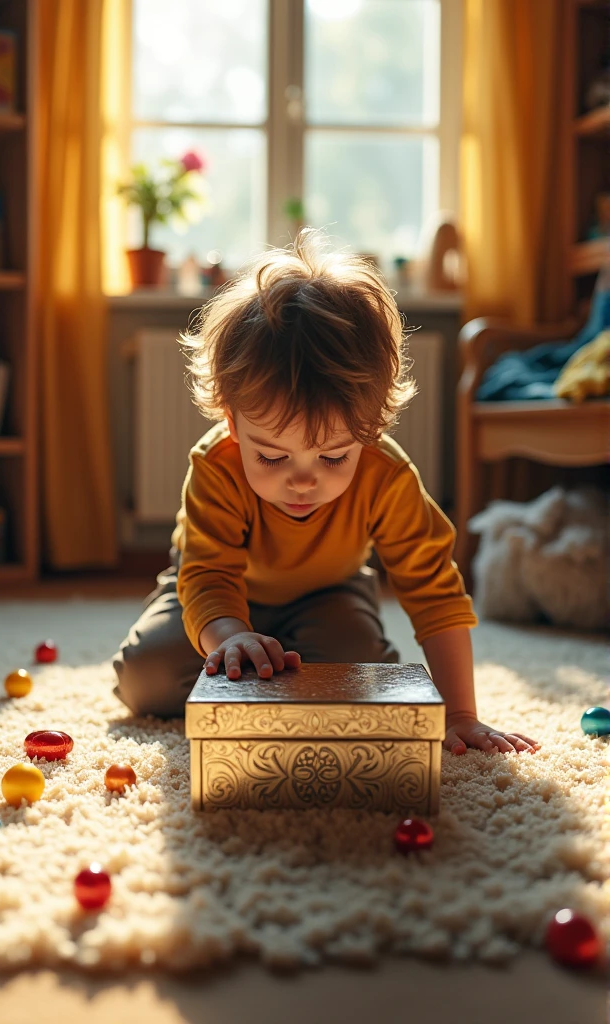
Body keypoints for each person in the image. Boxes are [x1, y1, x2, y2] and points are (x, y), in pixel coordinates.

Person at [112, 228, 541, 757]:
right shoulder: (216, 465)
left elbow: (435, 594)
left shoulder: (387, 475)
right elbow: (209, 575)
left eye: (334, 456)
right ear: (232, 419)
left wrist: (460, 714)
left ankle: (280, 665)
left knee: (366, 682)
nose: (302, 479)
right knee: (144, 679)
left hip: (330, 592)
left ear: (370, 425)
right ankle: (257, 659)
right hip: (218, 598)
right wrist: (230, 639)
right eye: (271, 456)